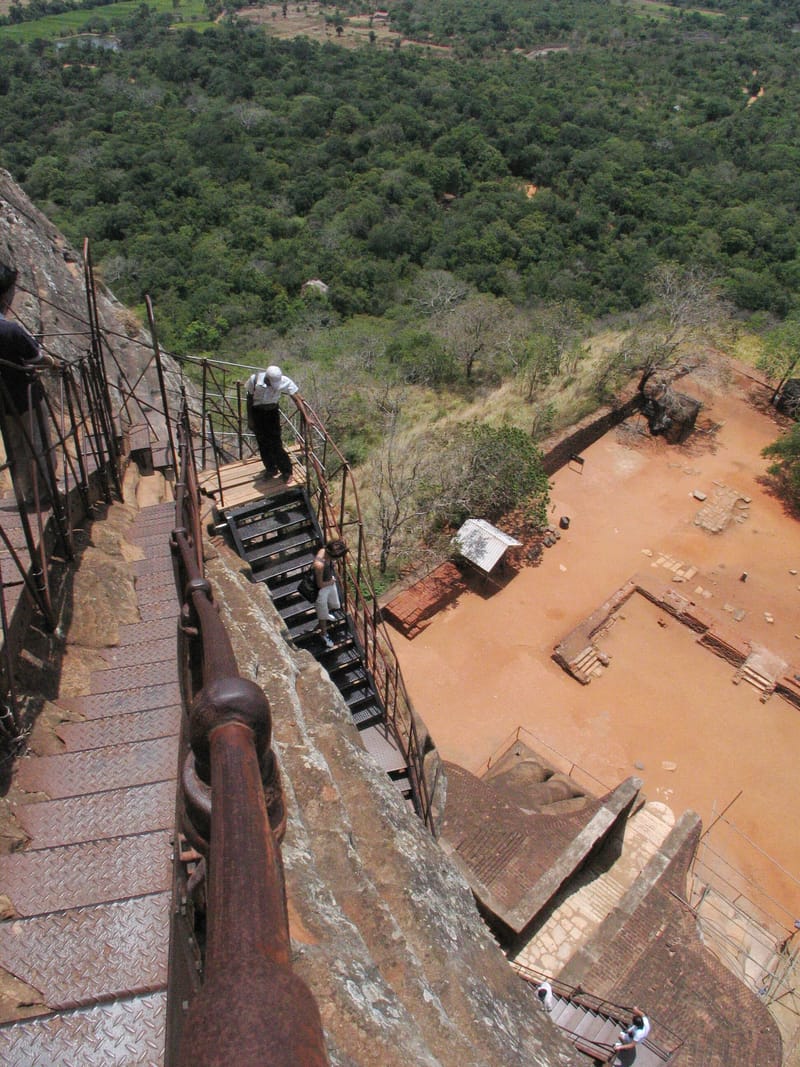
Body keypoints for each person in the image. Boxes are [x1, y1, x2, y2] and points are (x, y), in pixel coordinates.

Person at [0, 307, 57, 508]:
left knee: (16, 448)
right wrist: (52, 362)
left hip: (3, 403)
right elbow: (36, 357)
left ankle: (28, 494)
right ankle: (45, 492)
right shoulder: (10, 329)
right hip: (25, 397)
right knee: (38, 444)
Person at [245, 364, 303, 484]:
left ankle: (286, 471)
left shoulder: (284, 381)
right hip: (257, 413)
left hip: (272, 413)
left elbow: (297, 398)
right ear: (267, 378)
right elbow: (249, 399)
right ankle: (271, 469)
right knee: (262, 443)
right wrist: (250, 419)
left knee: (276, 443)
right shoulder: (254, 380)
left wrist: (306, 417)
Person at [313, 538, 348, 649]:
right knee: (322, 615)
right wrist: (331, 582)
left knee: (335, 604)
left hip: (328, 582)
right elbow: (319, 584)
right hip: (321, 590)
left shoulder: (325, 551)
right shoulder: (320, 565)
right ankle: (323, 634)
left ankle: (326, 615)